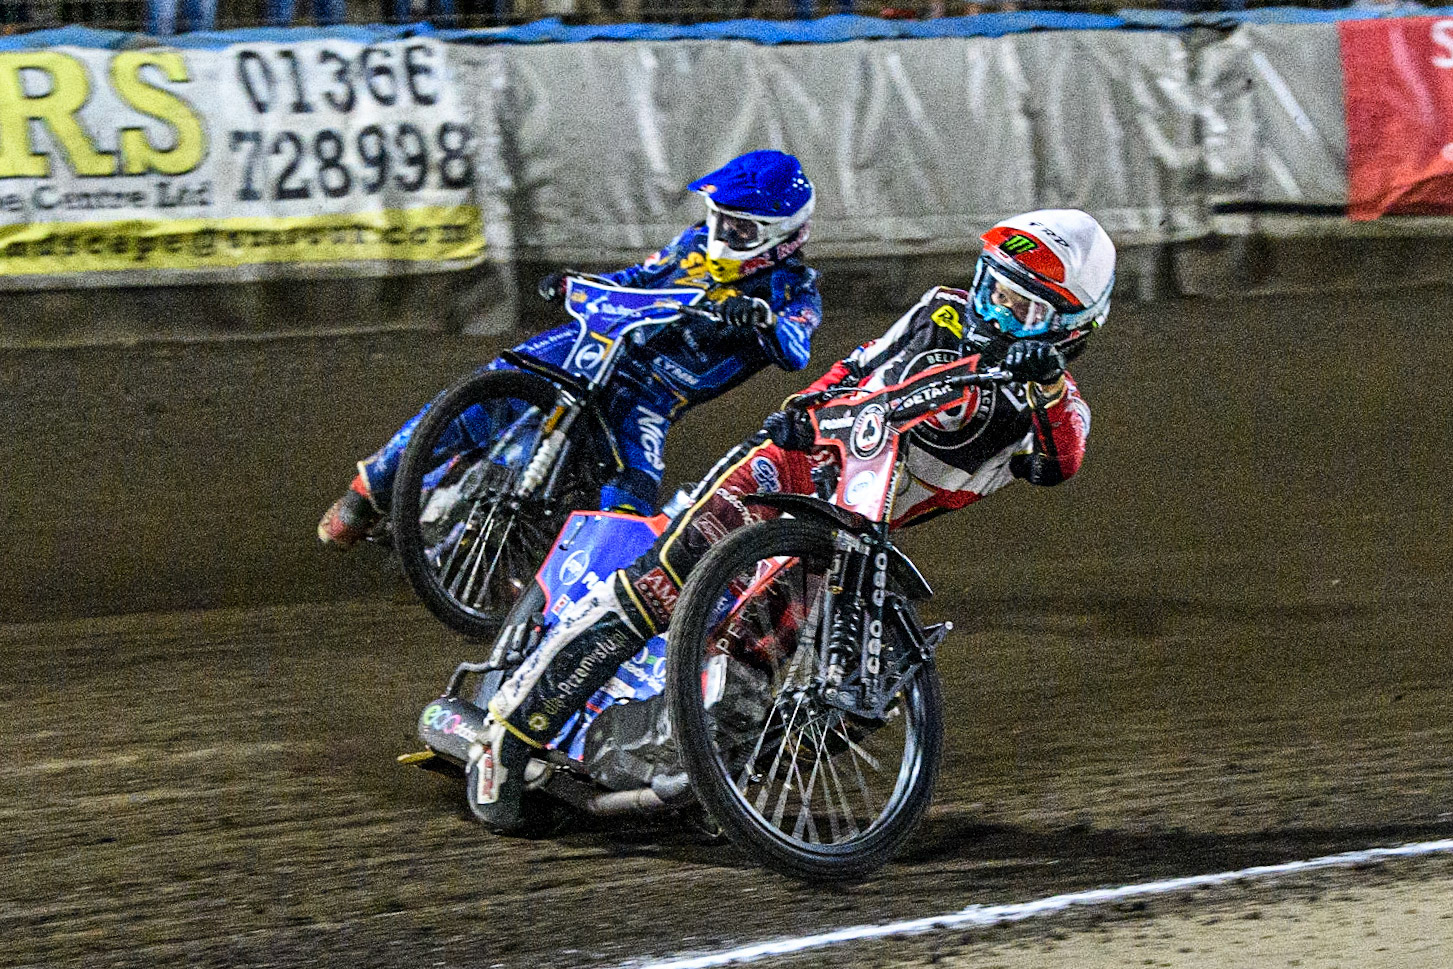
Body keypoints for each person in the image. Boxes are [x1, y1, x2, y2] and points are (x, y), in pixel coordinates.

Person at [468, 208, 1115, 832]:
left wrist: (1047, 388)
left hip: (848, 533)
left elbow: (1060, 461)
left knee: (758, 658)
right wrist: (804, 406)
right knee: (659, 585)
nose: (993, 311)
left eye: (1021, 308)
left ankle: (699, 779)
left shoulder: (1061, 409)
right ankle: (510, 733)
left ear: (1069, 331)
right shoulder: (939, 310)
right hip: (790, 463)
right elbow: (858, 365)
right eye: (993, 289)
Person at [317, 150, 823, 547]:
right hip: (600, 342)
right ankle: (369, 491)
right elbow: (637, 278)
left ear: (780, 237)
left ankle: (570, 594)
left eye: (740, 228)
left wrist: (764, 319)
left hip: (650, 395)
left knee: (630, 500)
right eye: (720, 219)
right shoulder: (692, 243)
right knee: (487, 389)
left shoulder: (796, 291)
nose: (723, 233)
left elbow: (796, 348)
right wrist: (578, 283)